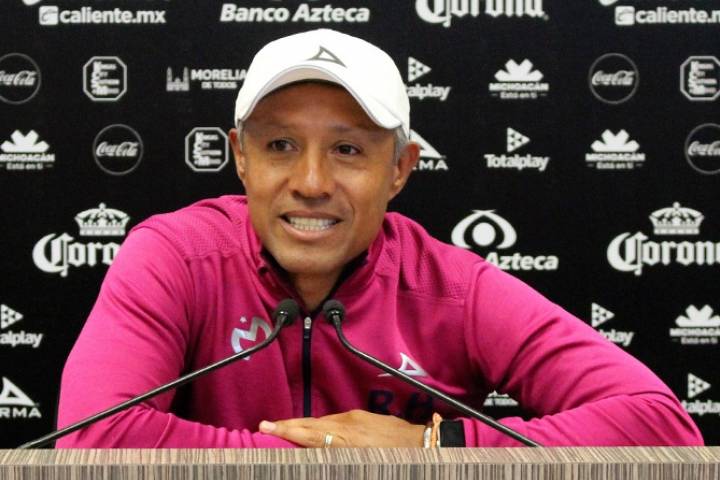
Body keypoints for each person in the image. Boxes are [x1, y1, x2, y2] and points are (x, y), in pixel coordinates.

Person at [56, 29, 702, 448]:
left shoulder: (451, 288)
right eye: (280, 145)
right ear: (241, 158)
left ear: (399, 169)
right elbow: (92, 440)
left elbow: (660, 426)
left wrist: (434, 447)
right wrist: (336, 457)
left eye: (347, 150)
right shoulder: (175, 256)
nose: (311, 183)